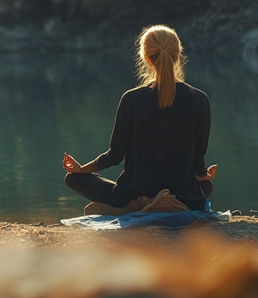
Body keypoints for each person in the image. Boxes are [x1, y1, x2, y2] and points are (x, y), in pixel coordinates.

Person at [62, 25, 218, 215]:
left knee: (72, 179)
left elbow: (114, 156)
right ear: (178, 55)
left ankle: (136, 206)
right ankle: (168, 202)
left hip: (131, 195)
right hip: (185, 197)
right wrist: (204, 175)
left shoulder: (131, 99)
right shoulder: (200, 99)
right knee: (206, 187)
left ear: (145, 57)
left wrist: (81, 170)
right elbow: (198, 159)